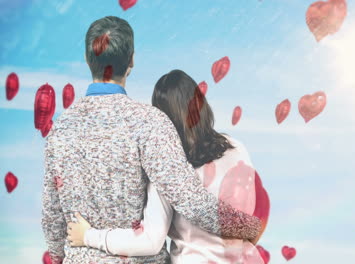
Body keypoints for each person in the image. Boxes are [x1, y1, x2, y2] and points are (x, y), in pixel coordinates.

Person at [41, 16, 261, 264]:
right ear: (132, 60)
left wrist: (59, 256)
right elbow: (191, 201)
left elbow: (52, 214)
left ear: (87, 59)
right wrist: (250, 227)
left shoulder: (59, 129)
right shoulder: (150, 122)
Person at [67, 70, 266, 264]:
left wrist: (88, 236)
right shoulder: (236, 147)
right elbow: (257, 213)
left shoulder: (167, 168)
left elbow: (150, 241)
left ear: (162, 119)